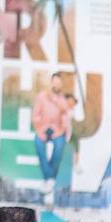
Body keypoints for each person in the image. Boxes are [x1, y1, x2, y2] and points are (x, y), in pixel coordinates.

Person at [31, 72, 75, 200]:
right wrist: (39, 130)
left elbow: (66, 119)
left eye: (58, 83)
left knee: (59, 146)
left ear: (61, 85)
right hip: (43, 128)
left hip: (57, 129)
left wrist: (60, 130)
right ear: (51, 83)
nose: (56, 84)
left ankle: (48, 180)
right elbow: (35, 116)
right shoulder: (41, 97)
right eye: (54, 82)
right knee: (38, 143)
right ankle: (49, 177)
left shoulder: (63, 101)